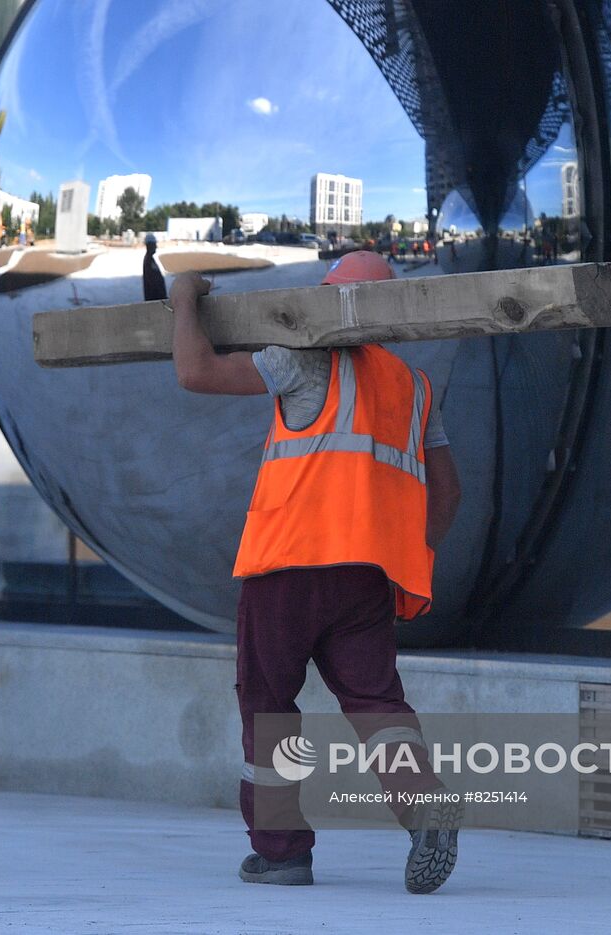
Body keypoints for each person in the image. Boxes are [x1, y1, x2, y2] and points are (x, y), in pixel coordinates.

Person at [169, 250, 463, 895]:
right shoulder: (414, 388)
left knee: (269, 707)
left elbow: (195, 372)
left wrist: (184, 296)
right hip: (366, 576)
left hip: (289, 566)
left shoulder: (303, 359)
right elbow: (447, 494)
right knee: (376, 702)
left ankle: (281, 854)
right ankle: (423, 805)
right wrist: (408, 550)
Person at [142, 232, 167, 301]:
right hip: (155, 299)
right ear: (149, 245)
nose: (156, 247)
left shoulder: (150, 260)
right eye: (154, 244)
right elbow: (153, 282)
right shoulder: (148, 261)